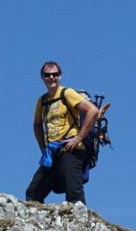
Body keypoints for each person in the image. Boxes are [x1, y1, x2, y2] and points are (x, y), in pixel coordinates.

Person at [25, 60, 100, 205]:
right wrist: (43, 149)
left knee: (74, 196)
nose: (51, 77)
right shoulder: (42, 100)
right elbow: (37, 125)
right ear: (42, 77)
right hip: (53, 152)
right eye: (48, 75)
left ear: (60, 76)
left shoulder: (67, 93)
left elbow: (93, 111)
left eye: (55, 74)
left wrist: (78, 138)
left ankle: (79, 225)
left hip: (71, 149)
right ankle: (44, 225)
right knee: (33, 193)